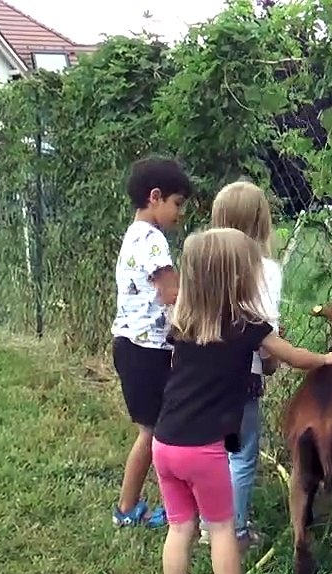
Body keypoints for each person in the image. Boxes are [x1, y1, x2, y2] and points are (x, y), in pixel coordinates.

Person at [154, 228, 332, 574]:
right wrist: (325, 359)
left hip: (165, 443)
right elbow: (292, 357)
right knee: (222, 530)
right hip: (204, 450)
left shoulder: (182, 322)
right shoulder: (248, 325)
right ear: (238, 277)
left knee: (179, 527)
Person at [198, 180, 284, 550]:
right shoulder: (265, 269)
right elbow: (266, 326)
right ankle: (235, 531)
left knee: (211, 450)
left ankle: (206, 525)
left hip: (198, 374)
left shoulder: (202, 262)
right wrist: (269, 362)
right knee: (242, 455)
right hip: (241, 378)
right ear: (259, 222)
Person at [110, 157, 194, 530]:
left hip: (130, 345)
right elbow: (172, 292)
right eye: (177, 204)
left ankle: (131, 506)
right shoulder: (154, 239)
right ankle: (133, 508)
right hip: (148, 351)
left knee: (153, 429)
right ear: (155, 197)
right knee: (156, 432)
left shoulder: (133, 236)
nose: (179, 214)